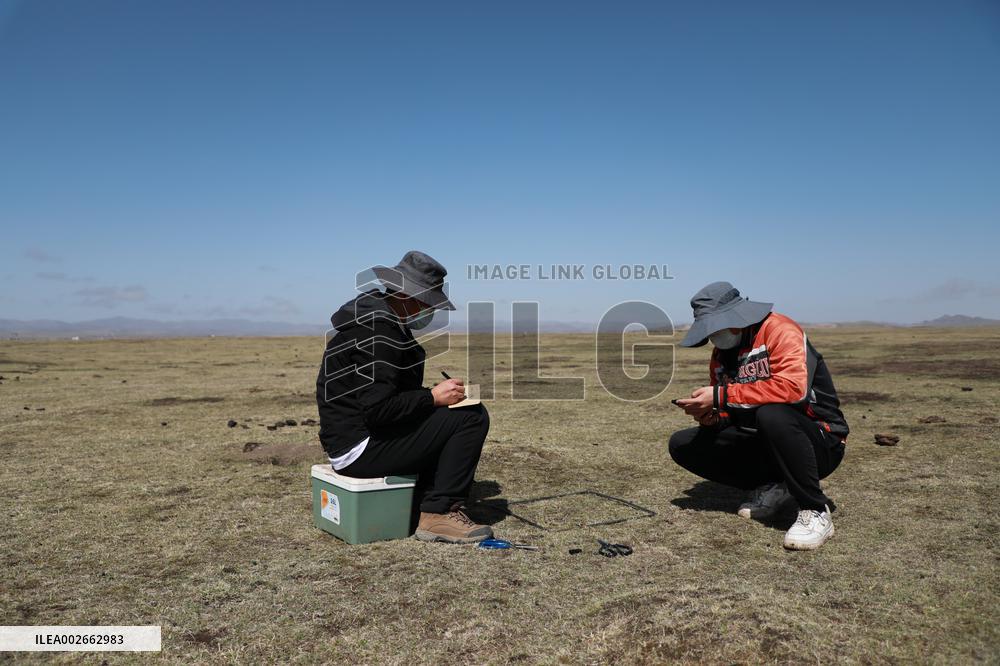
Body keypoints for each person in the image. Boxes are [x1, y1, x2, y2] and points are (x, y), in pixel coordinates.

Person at [316, 251, 493, 544]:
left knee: (454, 411)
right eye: (427, 303)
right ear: (405, 296)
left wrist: (432, 397)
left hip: (350, 440)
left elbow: (382, 397)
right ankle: (438, 514)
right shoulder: (379, 331)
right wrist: (431, 398)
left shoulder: (375, 320)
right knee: (471, 416)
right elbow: (377, 410)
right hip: (358, 448)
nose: (430, 310)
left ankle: (425, 499)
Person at [668, 282, 849, 550]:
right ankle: (775, 486)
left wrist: (720, 396)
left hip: (820, 440)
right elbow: (731, 407)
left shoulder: (780, 330)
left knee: (772, 413)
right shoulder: (721, 355)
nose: (713, 337)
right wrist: (712, 417)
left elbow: (793, 389)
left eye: (715, 328)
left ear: (735, 318)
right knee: (682, 444)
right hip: (765, 439)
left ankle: (814, 510)